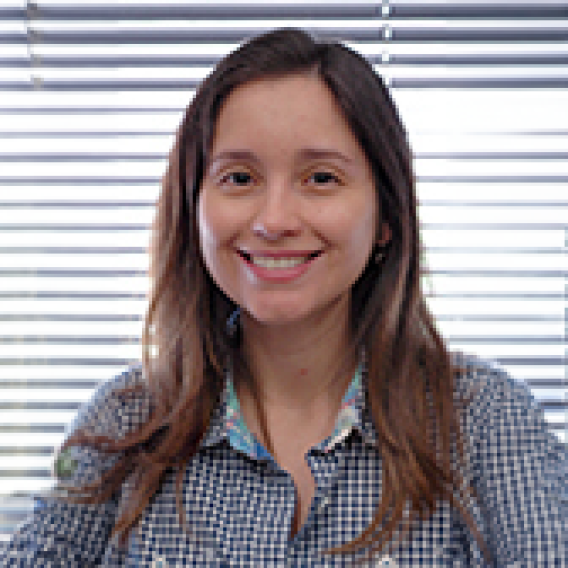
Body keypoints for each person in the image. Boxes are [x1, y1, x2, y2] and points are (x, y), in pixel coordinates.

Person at [2, 27, 566, 567]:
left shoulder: (488, 421)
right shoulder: (122, 420)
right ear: (194, 210)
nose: (274, 222)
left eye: (321, 178)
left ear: (386, 217)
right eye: (239, 179)